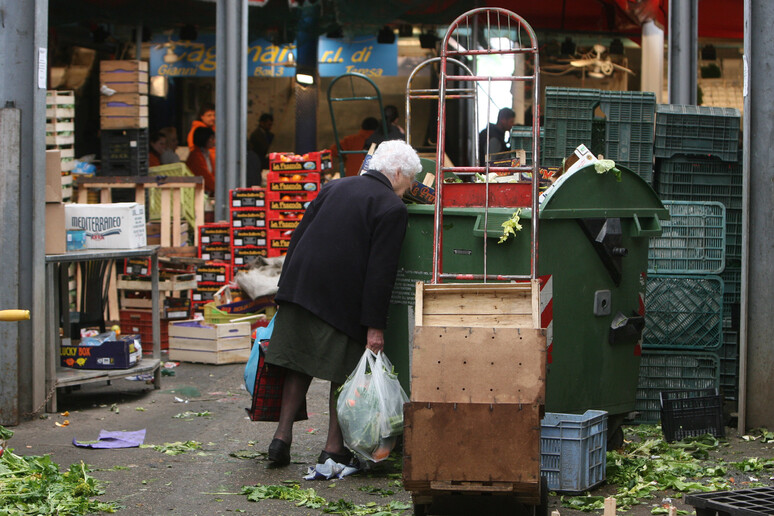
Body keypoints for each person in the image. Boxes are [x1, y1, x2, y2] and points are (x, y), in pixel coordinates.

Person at [264, 139, 422, 468]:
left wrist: (284, 290)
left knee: (298, 364)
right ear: (396, 173)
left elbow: (297, 236)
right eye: (409, 182)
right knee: (345, 372)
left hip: (300, 287)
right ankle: (333, 448)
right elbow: (381, 273)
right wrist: (375, 328)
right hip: (342, 298)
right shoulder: (392, 208)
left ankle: (281, 438)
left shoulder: (334, 187)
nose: (408, 190)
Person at [186, 126, 215, 194]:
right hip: (197, 192)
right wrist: (218, 187)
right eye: (211, 138)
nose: (213, 141)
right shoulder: (196, 156)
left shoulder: (206, 154)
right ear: (204, 139)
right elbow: (204, 177)